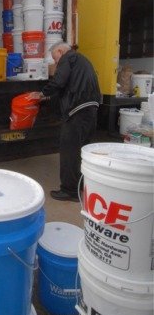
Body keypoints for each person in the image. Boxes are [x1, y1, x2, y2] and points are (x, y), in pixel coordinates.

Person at [30, 41, 101, 202]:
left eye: (55, 60)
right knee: (80, 152)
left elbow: (59, 81)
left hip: (77, 111)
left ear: (60, 51)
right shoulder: (82, 61)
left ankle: (69, 191)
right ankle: (80, 186)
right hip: (90, 110)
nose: (56, 63)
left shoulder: (69, 58)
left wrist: (41, 93)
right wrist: (48, 97)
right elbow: (66, 87)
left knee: (69, 151)